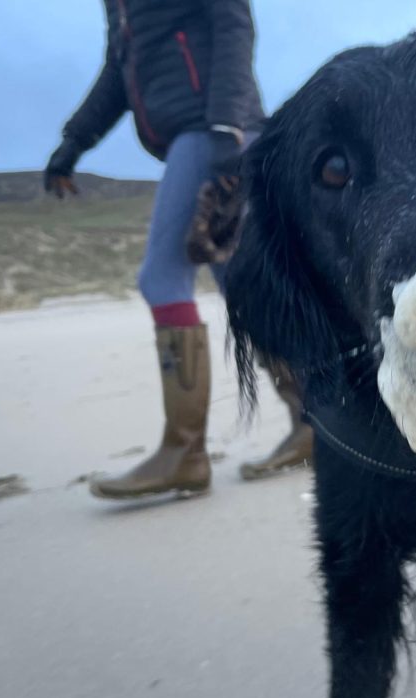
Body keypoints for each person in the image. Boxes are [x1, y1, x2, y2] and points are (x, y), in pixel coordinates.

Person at [44, 0, 311, 499]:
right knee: (244, 286)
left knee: (161, 278)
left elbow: (233, 21)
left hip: (211, 128)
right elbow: (118, 74)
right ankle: (312, 422)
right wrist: (74, 142)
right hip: (201, 130)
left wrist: (226, 121)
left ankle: (184, 452)